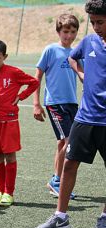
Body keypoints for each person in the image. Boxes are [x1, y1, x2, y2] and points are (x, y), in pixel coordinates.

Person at [35, 0, 106, 228]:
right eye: (93, 22)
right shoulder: (88, 42)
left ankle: (104, 217)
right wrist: (82, 73)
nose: (96, 27)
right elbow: (73, 58)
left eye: (101, 22)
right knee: (68, 163)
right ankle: (61, 217)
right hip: (85, 117)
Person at [0, 40, 39, 207]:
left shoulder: (13, 72)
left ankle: (9, 193)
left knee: (10, 155)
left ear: (5, 57)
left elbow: (34, 82)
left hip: (10, 121)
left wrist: (22, 96)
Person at [33, 14, 80, 200]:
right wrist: (36, 103)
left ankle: (56, 179)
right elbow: (37, 77)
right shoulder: (51, 50)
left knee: (62, 142)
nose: (69, 35)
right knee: (69, 141)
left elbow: (84, 75)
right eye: (65, 31)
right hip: (55, 103)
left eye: (73, 31)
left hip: (72, 103)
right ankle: (57, 181)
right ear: (58, 31)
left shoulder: (77, 52)